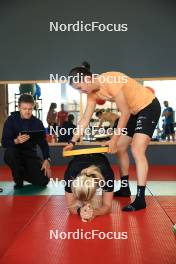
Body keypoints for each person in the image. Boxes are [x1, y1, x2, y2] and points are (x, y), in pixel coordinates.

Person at [64, 62, 161, 211]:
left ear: (87, 79)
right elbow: (84, 120)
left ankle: (140, 198)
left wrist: (114, 139)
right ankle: (124, 188)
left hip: (148, 106)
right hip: (133, 112)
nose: (80, 91)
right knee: (121, 149)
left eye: (79, 87)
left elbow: (125, 112)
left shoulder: (110, 79)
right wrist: (72, 141)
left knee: (136, 149)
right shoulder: (92, 95)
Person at [1, 94, 51, 189]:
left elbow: (44, 144)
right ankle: (18, 180)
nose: (27, 112)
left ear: (33, 108)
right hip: (14, 155)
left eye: (30, 109)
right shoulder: (11, 120)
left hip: (30, 156)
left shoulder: (37, 123)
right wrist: (16, 141)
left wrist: (46, 159)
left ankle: (22, 173)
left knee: (44, 181)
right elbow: (4, 142)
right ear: (19, 107)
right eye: (24, 109)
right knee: (11, 152)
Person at [64, 153, 114, 221]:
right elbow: (70, 206)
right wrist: (80, 211)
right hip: (78, 160)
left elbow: (107, 206)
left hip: (100, 157)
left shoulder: (107, 176)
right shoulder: (70, 175)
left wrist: (94, 212)